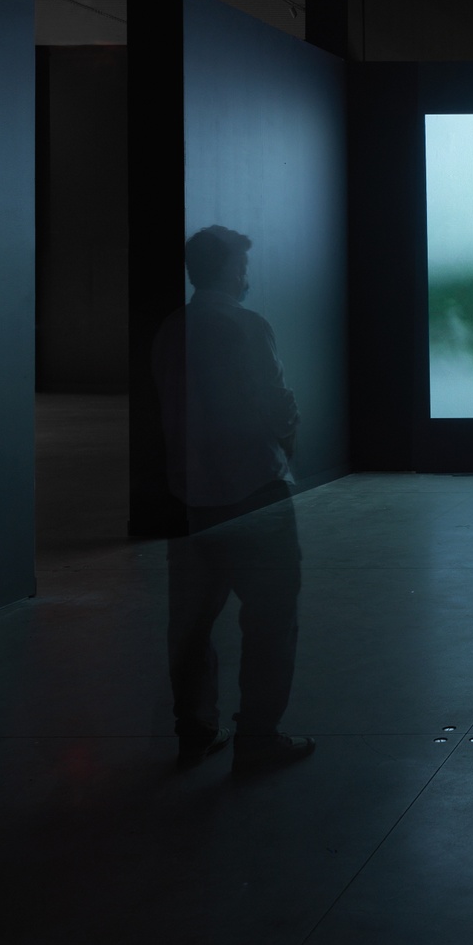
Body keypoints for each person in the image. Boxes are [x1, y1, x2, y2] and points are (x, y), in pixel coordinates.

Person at [152, 226, 315, 772]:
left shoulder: (172, 329)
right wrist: (287, 449)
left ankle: (195, 732)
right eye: (242, 266)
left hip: (190, 497)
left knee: (192, 624)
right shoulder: (244, 326)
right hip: (254, 492)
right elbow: (278, 405)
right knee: (270, 620)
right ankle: (258, 739)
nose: (247, 275)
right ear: (227, 271)